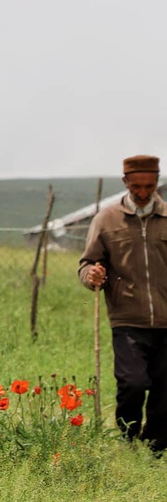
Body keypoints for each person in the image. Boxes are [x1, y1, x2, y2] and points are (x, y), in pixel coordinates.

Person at [79, 154, 167, 453]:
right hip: (127, 318)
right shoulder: (106, 220)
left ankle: (157, 446)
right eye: (136, 186)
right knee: (133, 384)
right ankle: (128, 438)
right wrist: (91, 274)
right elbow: (88, 262)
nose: (143, 193)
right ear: (125, 182)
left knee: (164, 389)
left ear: (157, 183)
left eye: (150, 186)